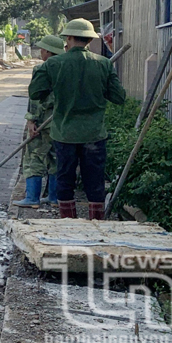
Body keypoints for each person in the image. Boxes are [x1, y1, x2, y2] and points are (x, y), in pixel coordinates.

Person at [28, 19, 127, 220]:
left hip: (64, 134)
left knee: (65, 181)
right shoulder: (104, 64)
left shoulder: (53, 64)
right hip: (94, 135)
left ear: (69, 38)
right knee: (95, 182)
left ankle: (68, 224)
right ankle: (96, 225)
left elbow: (36, 92)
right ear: (90, 39)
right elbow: (119, 97)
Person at [12, 35, 65, 209]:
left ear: (48, 52)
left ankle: (32, 198)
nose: (41, 52)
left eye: (42, 49)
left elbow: (35, 98)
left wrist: (31, 121)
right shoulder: (67, 68)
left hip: (43, 122)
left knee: (33, 157)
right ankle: (54, 197)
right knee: (55, 158)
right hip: (61, 122)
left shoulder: (42, 69)